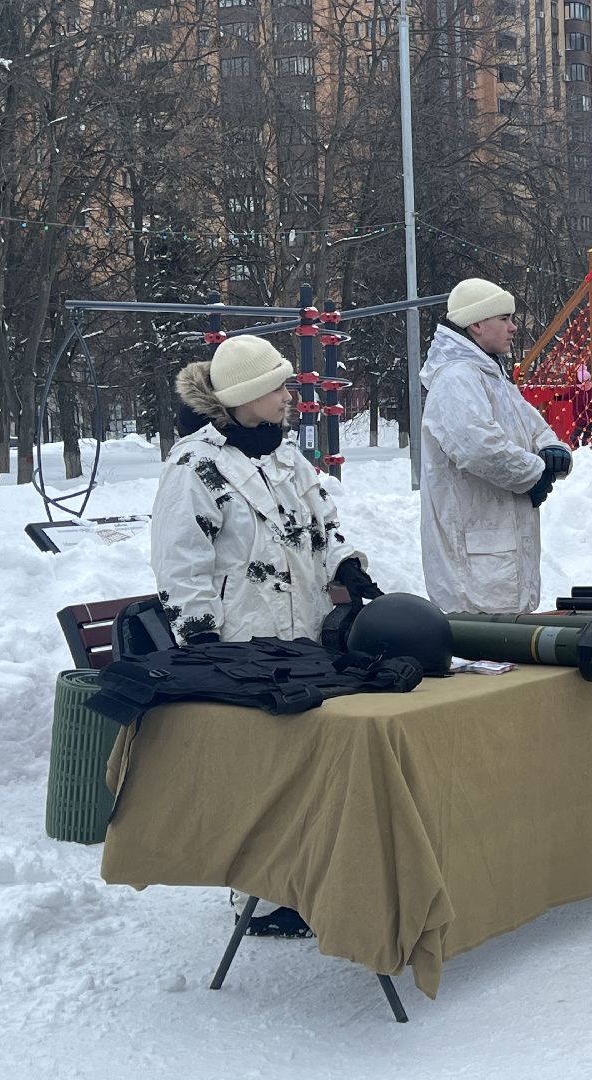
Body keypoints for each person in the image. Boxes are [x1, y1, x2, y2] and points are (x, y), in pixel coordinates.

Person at [152, 334, 384, 939]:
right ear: (249, 395)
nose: (290, 395)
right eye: (280, 386)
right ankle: (252, 896)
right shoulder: (195, 465)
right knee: (255, 769)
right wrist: (202, 641)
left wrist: (345, 565)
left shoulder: (286, 457)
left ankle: (299, 879)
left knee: (302, 764)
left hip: (301, 635)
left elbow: (323, 524)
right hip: (241, 643)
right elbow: (181, 564)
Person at [419, 278, 572, 614]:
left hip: (498, 555)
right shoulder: (457, 379)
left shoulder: (490, 376)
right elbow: (479, 447)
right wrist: (535, 474)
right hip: (475, 569)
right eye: (504, 318)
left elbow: (532, 424)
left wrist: (553, 450)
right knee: (487, 652)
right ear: (477, 324)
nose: (513, 327)